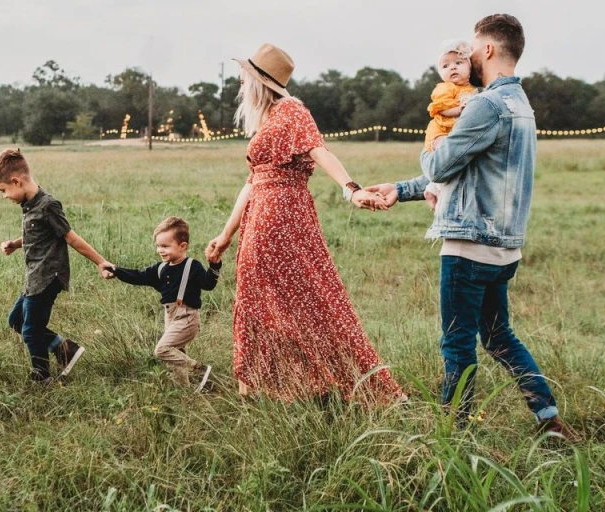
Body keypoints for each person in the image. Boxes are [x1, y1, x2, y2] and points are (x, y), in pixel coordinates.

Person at [367, 14, 577, 438]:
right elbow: (467, 171)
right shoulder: (520, 104)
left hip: (468, 246)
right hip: (504, 248)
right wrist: (401, 189)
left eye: (472, 48)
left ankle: (453, 432)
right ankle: (548, 418)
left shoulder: (484, 104)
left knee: (456, 342)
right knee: (499, 337)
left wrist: (433, 147)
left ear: (488, 49)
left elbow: (442, 163)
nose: (466, 57)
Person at [205, 43, 403, 403]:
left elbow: (320, 150)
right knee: (260, 300)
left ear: (259, 81)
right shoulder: (267, 119)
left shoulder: (292, 111)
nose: (239, 83)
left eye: (244, 76)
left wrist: (351, 189)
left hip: (281, 216)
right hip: (261, 215)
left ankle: (319, 383)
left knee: (306, 300)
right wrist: (226, 234)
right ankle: (266, 387)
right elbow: (252, 182)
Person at [0, 148, 114, 384]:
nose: (4, 196)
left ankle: (42, 376)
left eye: (3, 190)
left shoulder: (48, 205)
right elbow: (37, 235)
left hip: (48, 277)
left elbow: (71, 237)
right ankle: (65, 349)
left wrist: (101, 262)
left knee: (31, 330)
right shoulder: (29, 205)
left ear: (16, 181)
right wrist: (16, 244)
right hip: (34, 277)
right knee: (16, 320)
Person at [104, 217, 221, 392]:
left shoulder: (192, 266)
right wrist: (116, 270)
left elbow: (208, 284)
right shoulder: (160, 268)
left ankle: (199, 369)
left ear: (183, 246)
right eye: (158, 246)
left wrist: (214, 265)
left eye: (165, 246)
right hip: (170, 317)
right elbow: (138, 276)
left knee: (162, 350)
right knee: (175, 359)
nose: (160, 250)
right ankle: (185, 392)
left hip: (187, 317)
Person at [423, 39, 478, 211]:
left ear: (469, 67)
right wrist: (459, 109)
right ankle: (436, 190)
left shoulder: (472, 89)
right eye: (446, 66)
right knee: (446, 154)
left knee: (455, 160)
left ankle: (433, 188)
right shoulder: (445, 87)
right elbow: (441, 108)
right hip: (440, 130)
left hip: (453, 131)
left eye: (458, 63)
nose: (452, 68)